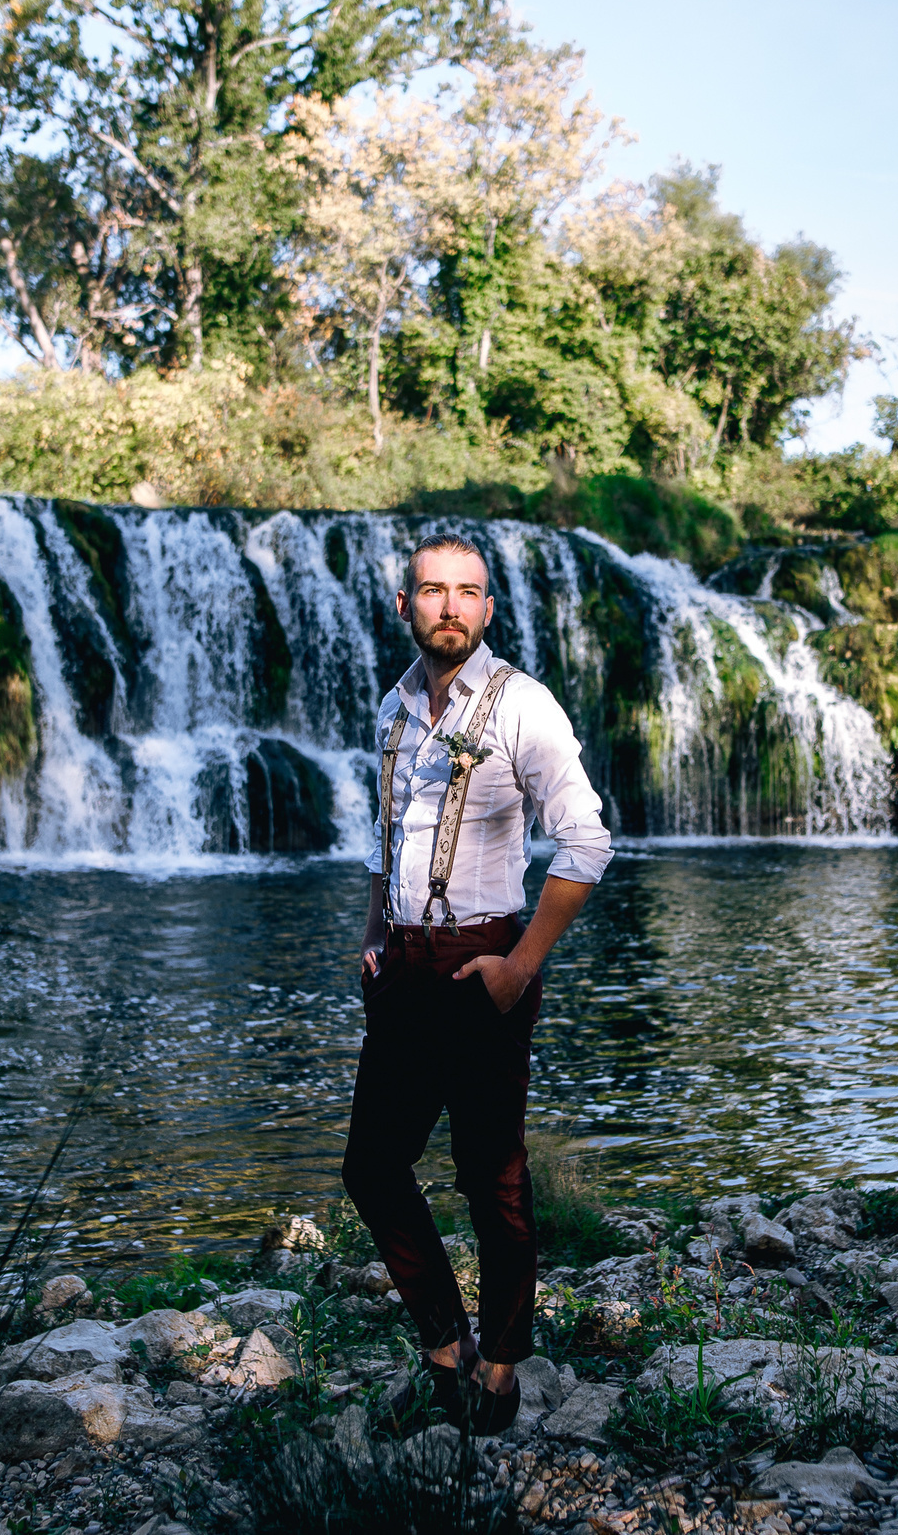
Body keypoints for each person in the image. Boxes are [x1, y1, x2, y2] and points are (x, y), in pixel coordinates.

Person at [341, 532, 611, 1436]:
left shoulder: (522, 704)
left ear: (489, 608)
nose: (449, 606)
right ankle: (445, 1341)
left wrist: (523, 964)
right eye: (431, 590)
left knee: (489, 1173)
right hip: (405, 970)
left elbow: (587, 840)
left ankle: (498, 1368)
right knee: (372, 1166)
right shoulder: (393, 706)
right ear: (406, 605)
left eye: (467, 592)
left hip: (487, 960)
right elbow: (389, 839)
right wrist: (375, 931)